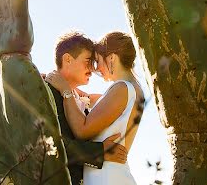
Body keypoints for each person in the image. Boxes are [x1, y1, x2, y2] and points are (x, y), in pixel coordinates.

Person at [46, 31, 145, 185]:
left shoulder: (121, 89)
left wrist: (66, 90)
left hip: (106, 177)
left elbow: (82, 130)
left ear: (111, 58)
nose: (95, 69)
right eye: (90, 61)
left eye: (97, 60)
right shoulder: (129, 89)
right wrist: (45, 79)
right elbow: (86, 98)